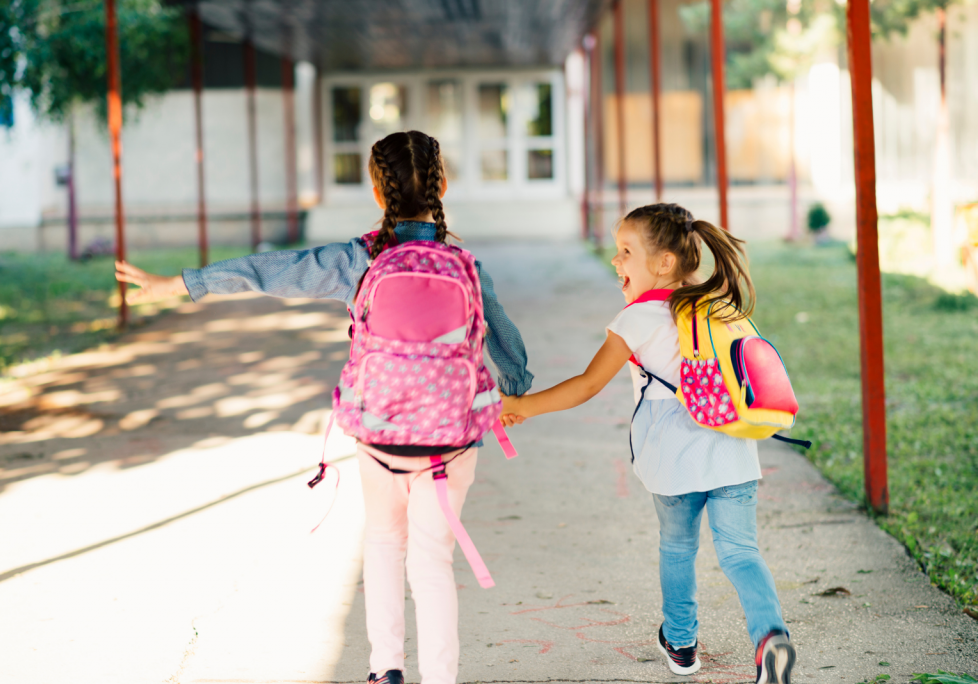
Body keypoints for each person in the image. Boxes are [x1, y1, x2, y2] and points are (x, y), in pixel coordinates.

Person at [116, 131, 534, 684]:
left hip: (381, 436)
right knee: (432, 562)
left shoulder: (357, 259)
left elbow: (274, 269)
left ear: (377, 190)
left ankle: (386, 670)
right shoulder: (466, 266)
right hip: (452, 439)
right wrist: (514, 393)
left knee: (384, 543)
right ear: (443, 184)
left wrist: (186, 283)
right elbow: (510, 351)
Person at [499, 203, 796, 684]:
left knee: (678, 547)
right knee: (741, 552)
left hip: (674, 459)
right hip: (735, 451)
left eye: (625, 252)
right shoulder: (717, 306)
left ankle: (680, 643)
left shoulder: (638, 318)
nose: (616, 262)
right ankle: (770, 638)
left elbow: (589, 383)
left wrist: (523, 406)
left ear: (663, 263)